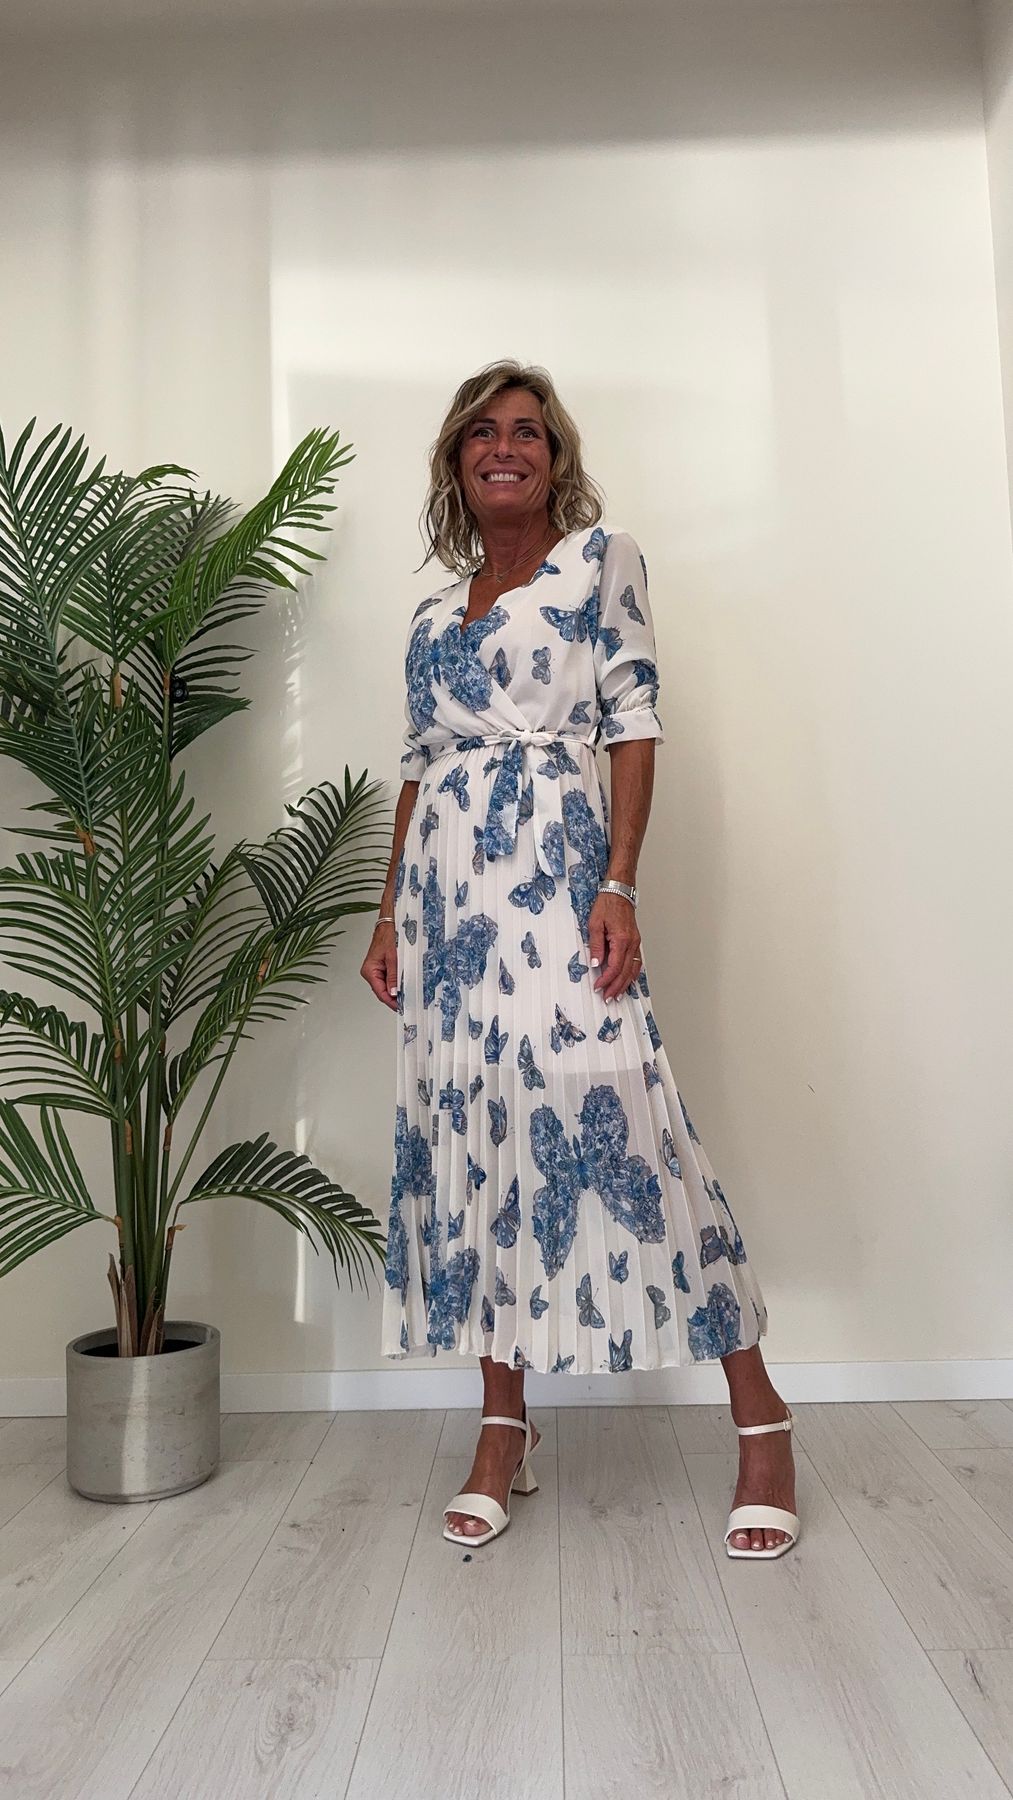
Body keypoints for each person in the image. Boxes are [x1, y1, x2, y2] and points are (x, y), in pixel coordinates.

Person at [360, 359, 799, 1559]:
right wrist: (389, 913)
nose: (503, 447)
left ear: (554, 459)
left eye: (527, 432)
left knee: (629, 1126)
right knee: (475, 1140)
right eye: (481, 433)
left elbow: (633, 722)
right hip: (448, 913)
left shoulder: (600, 561)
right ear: (455, 461)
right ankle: (502, 1426)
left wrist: (618, 884)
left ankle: (760, 1418)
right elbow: (416, 768)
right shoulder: (429, 616)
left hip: (556, 879)